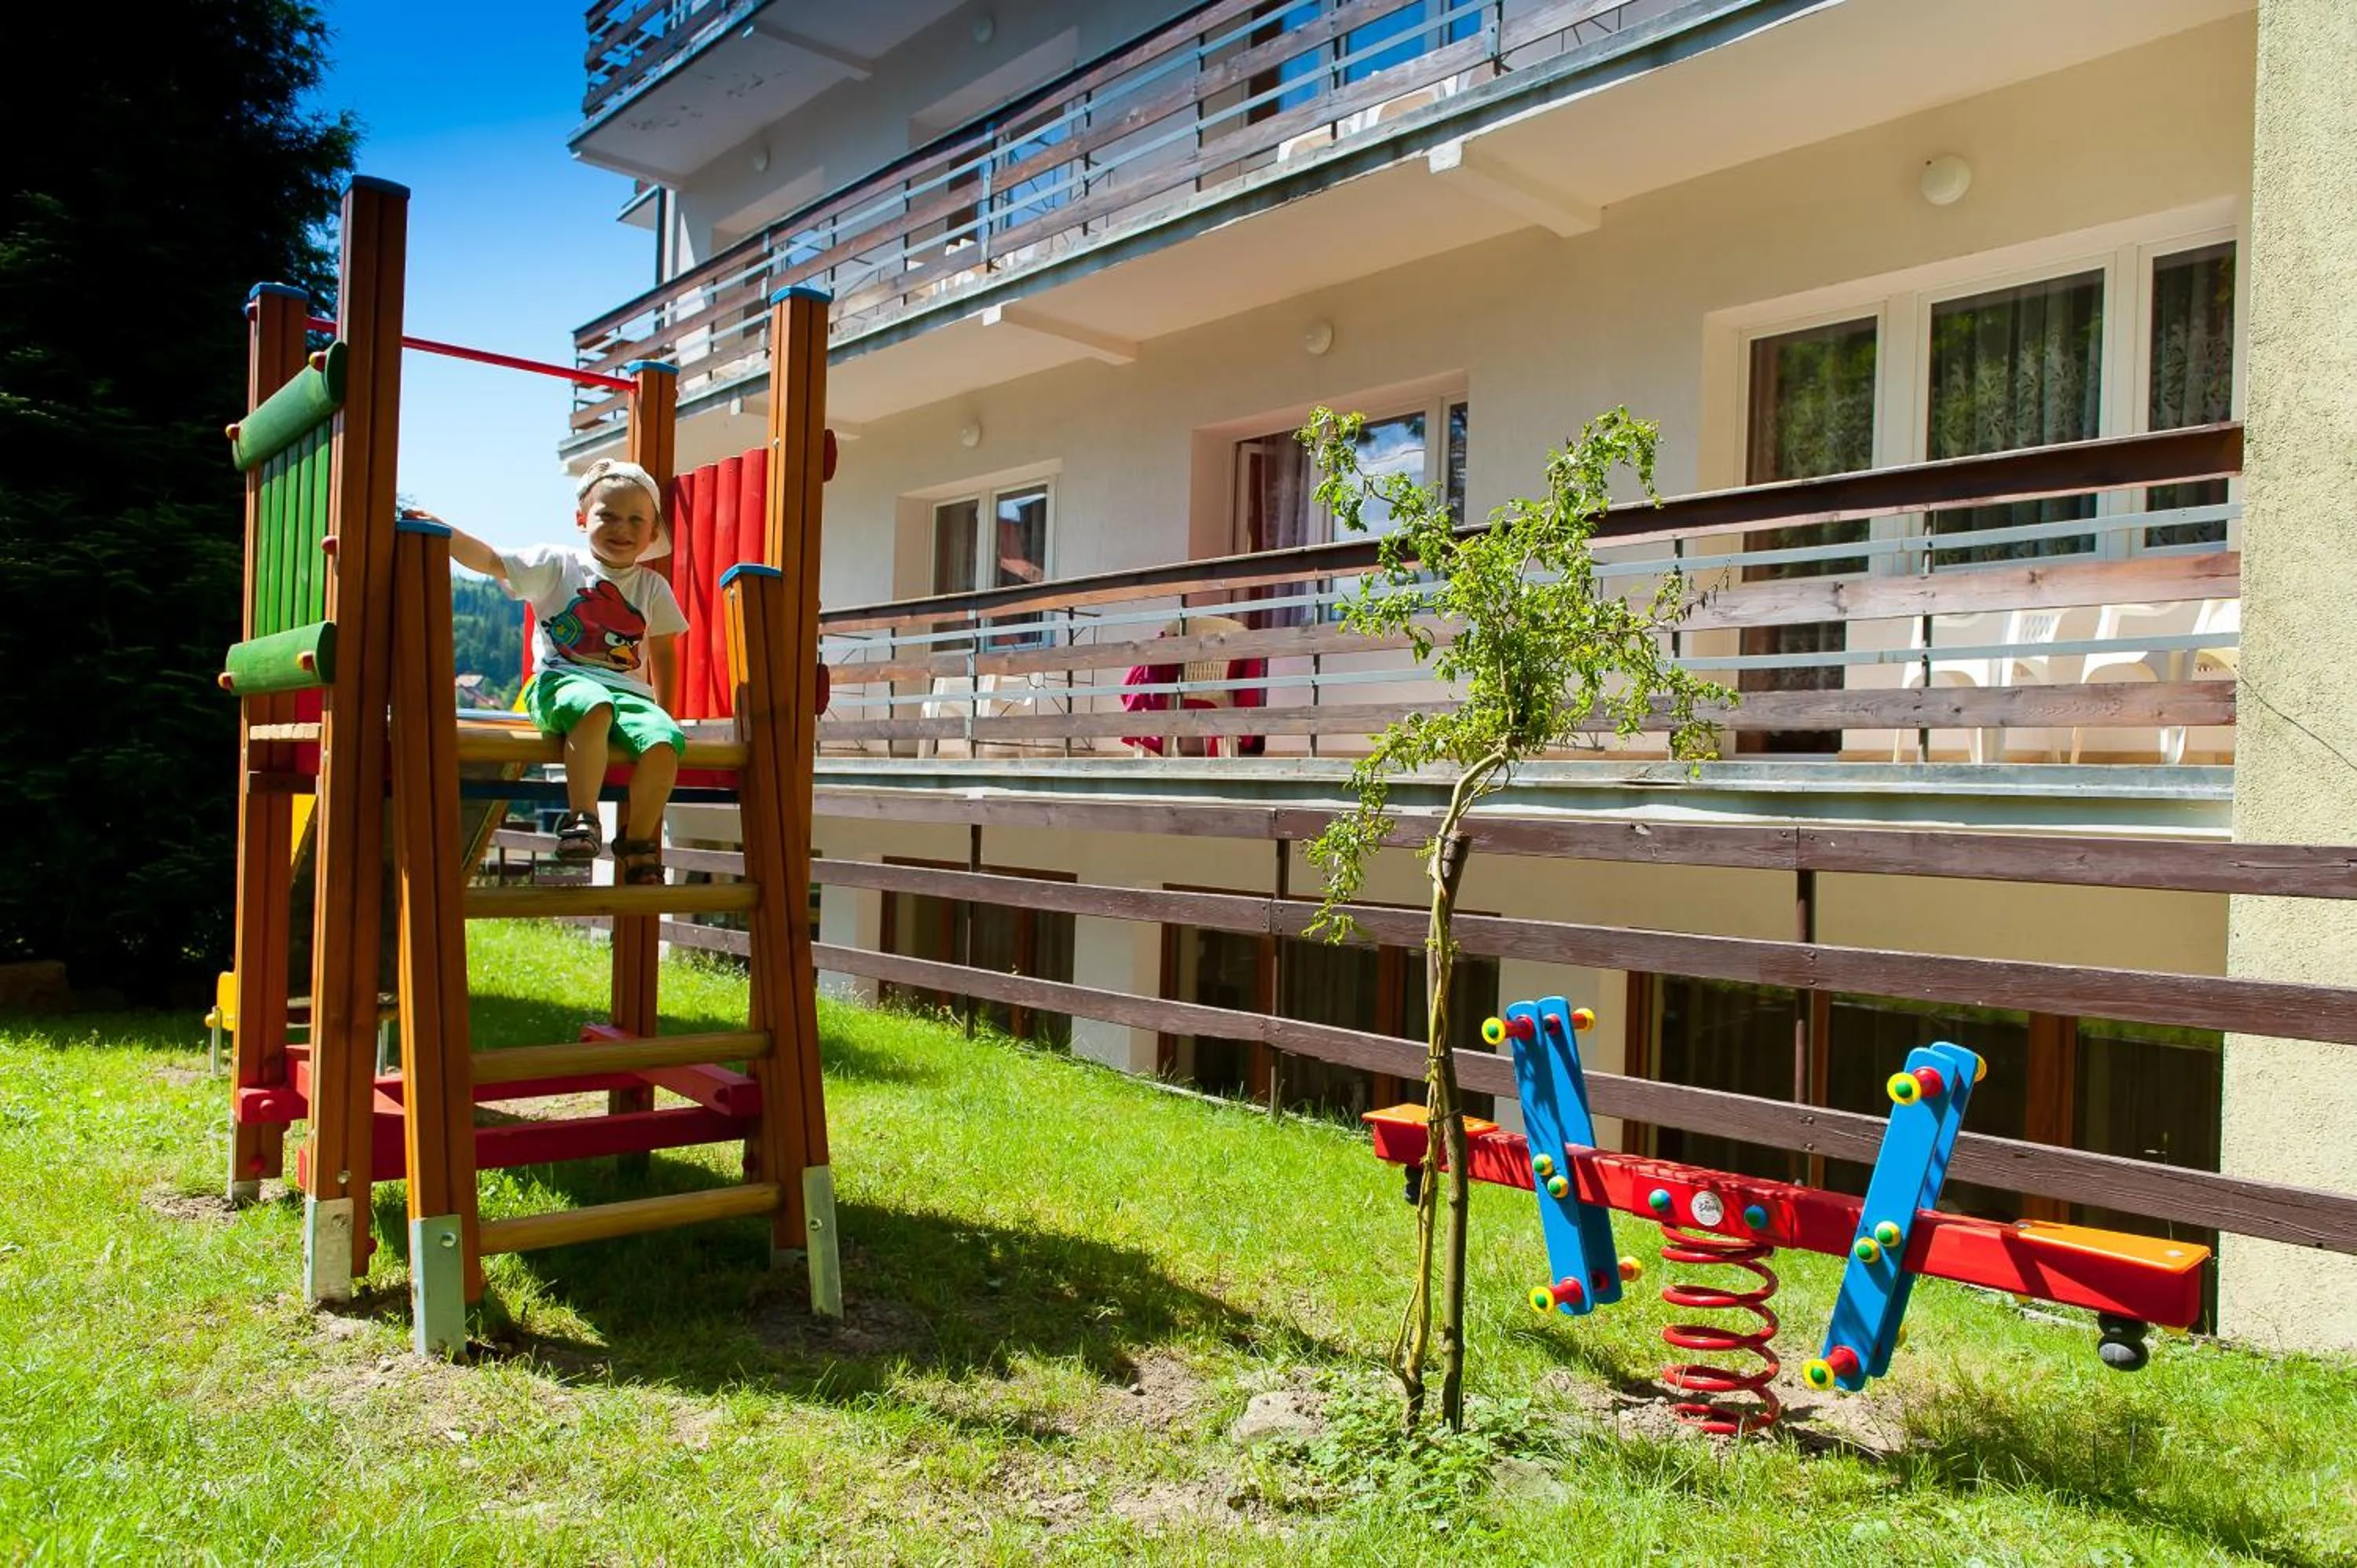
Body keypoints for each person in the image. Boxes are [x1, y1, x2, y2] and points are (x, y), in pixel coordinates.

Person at [420, 459, 687, 885]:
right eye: (608, 515)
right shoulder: (558, 564)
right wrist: (443, 532)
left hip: (629, 696)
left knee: (664, 741)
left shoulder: (653, 587)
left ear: (652, 533)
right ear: (582, 519)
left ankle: (638, 843)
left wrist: (666, 712)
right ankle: (583, 818)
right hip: (561, 681)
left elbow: (664, 653)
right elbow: (491, 560)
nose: (622, 528)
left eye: (636, 519)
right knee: (593, 705)